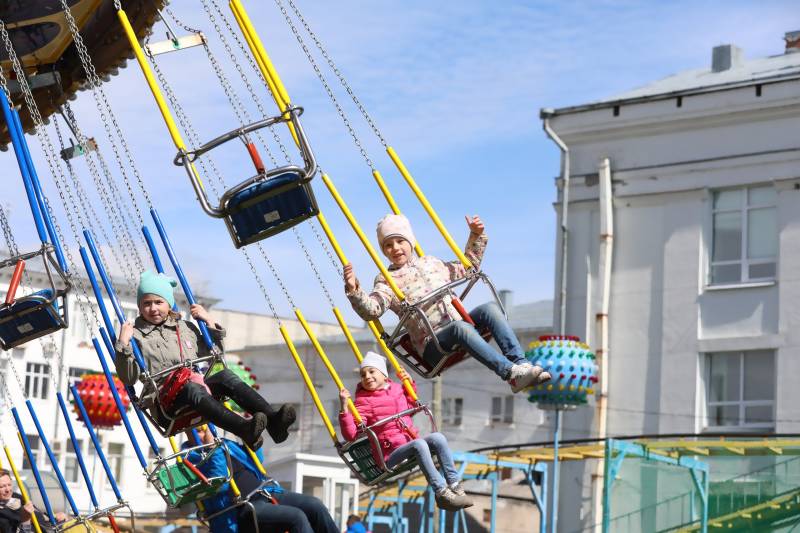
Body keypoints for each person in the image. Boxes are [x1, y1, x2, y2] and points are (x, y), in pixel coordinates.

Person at [344, 213, 550, 393]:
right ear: (383, 251)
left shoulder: (431, 263)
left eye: (400, 241)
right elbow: (372, 309)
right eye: (388, 245)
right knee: (460, 328)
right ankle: (509, 373)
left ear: (411, 241)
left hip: (459, 326)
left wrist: (476, 235)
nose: (395, 248)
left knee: (490, 309)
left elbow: (468, 267)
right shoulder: (386, 280)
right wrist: (354, 290)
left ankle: (521, 366)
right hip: (432, 344)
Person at [115, 270, 295, 449]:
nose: (153, 308)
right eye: (146, 303)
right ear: (139, 307)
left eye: (158, 302)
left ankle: (273, 421)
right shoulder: (135, 336)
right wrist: (123, 343)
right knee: (191, 388)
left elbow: (215, 354)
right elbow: (128, 378)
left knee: (224, 375)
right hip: (165, 401)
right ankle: (243, 428)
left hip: (194, 386)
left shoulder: (184, 328)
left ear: (168, 304)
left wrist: (209, 322)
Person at [338, 352, 472, 511]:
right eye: (363, 374)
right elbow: (351, 435)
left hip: (409, 443)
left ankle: (455, 484)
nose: (367, 376)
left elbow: (411, 408)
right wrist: (344, 408)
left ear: (383, 373)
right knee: (420, 445)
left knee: (438, 438)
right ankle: (441, 492)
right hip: (389, 455)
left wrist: (409, 384)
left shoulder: (396, 389)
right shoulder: (363, 401)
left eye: (371, 371)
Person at [183, 426, 339, 533]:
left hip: (266, 491)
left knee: (315, 505)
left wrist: (248, 435)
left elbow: (258, 460)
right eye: (198, 431)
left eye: (205, 430)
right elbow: (219, 481)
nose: (204, 435)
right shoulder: (190, 458)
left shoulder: (224, 444)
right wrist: (212, 449)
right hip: (240, 509)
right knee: (296, 517)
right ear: (188, 433)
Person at [0, 470, 67, 533]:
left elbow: (37, 512)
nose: (8, 490)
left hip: (50, 527)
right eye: (2, 486)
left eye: (9, 485)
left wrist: (53, 516)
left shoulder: (16, 496)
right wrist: (25, 521)